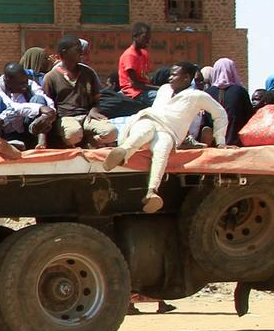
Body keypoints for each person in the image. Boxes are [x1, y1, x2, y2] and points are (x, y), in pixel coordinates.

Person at [103, 62, 231, 212]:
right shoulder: (164, 90)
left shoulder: (197, 96)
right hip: (149, 119)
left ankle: (152, 192)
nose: (170, 78)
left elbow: (220, 114)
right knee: (144, 132)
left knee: (162, 149)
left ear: (186, 78)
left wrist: (220, 141)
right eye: (170, 74)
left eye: (174, 75)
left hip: (169, 132)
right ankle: (122, 153)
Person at [43, 36, 117, 148]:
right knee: (73, 134)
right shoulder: (51, 77)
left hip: (87, 116)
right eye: (77, 49)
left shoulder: (88, 73)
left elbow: (96, 99)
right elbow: (48, 104)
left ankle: (91, 141)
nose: (81, 53)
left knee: (111, 132)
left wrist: (94, 110)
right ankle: (78, 141)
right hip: (66, 117)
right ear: (65, 52)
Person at [0, 62, 57, 150]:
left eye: (26, 81)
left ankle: (41, 142)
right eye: (20, 83)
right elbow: (12, 107)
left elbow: (45, 98)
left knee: (38, 98)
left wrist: (49, 113)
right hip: (5, 126)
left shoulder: (28, 83)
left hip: (27, 127)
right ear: (7, 80)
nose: (25, 86)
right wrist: (40, 108)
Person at [204, 57, 253, 146]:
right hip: (236, 143)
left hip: (212, 145)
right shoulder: (240, 92)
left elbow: (204, 120)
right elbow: (249, 117)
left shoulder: (207, 93)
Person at [117, 22, 154, 98]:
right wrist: (158, 88)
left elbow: (145, 76)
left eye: (149, 38)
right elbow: (134, 84)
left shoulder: (144, 53)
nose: (147, 42)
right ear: (135, 37)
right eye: (145, 38)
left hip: (144, 89)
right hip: (134, 92)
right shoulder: (130, 55)